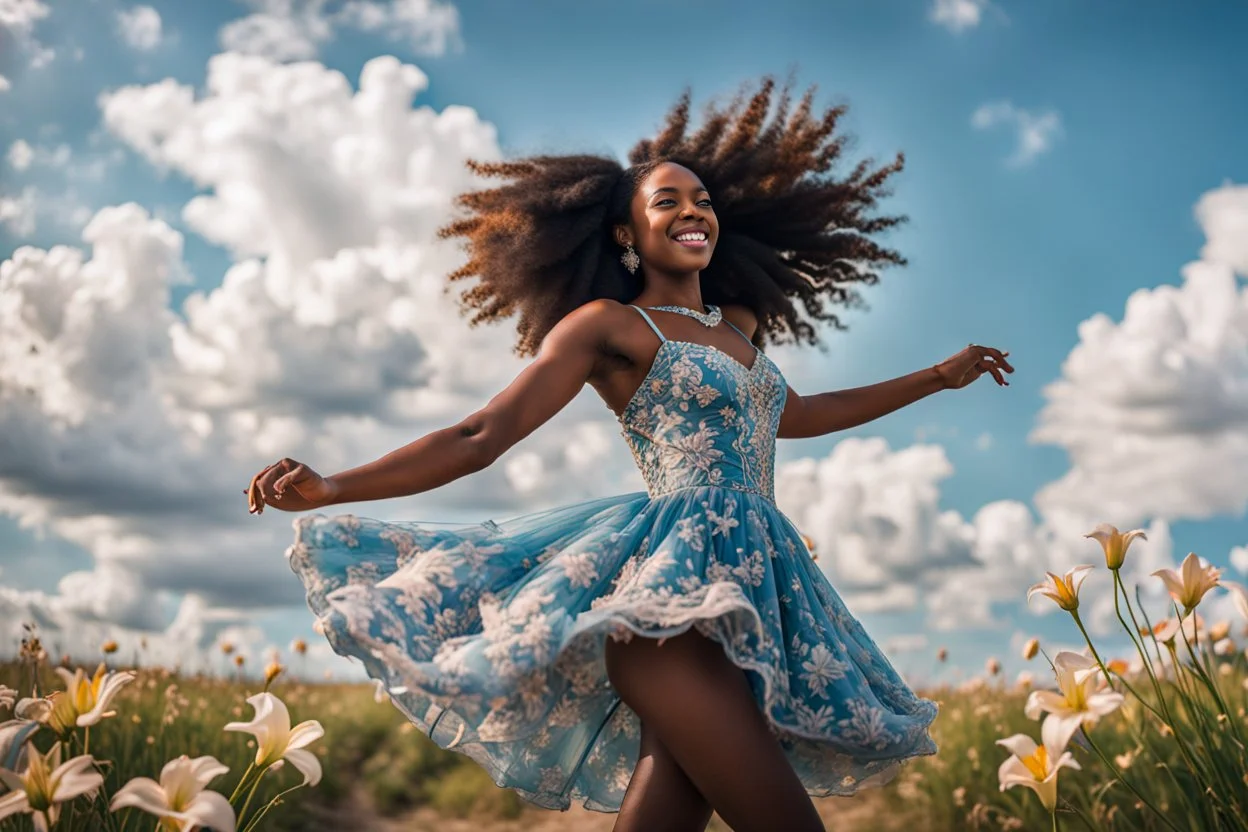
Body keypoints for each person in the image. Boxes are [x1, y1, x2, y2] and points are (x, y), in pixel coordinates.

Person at [245, 78, 1013, 832]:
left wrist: (936, 379)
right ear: (626, 234)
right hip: (666, 618)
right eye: (667, 201)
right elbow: (482, 435)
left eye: (704, 200)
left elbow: (796, 413)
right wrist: (333, 485)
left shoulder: (740, 328)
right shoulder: (606, 327)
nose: (692, 212)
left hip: (750, 599)